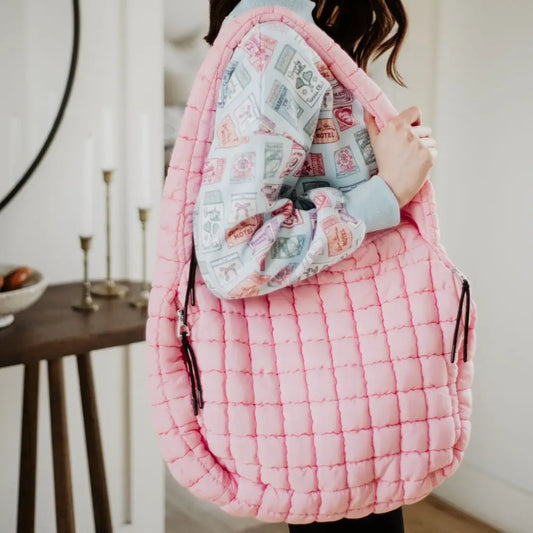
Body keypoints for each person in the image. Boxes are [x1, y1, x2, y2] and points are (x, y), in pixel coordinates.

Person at [193, 0, 437, 530]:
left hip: (333, 384)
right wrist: (385, 192)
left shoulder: (291, 35)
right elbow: (231, 254)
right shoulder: (278, 44)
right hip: (331, 389)